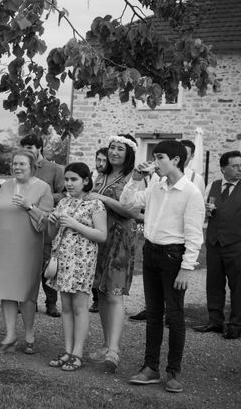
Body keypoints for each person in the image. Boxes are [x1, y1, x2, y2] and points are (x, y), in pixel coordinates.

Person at [121, 140, 205, 393]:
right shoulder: (155, 185)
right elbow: (127, 203)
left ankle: (173, 372)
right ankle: (150, 368)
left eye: (160, 157)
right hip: (152, 252)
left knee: (175, 316)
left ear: (176, 160)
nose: (155, 162)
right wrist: (135, 178)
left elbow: (194, 235)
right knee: (154, 313)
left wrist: (186, 268)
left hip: (173, 256)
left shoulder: (191, 192)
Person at [0, 150, 54, 354]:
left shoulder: (42, 188)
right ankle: (10, 335)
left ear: (32, 167)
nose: (17, 167)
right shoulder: (5, 185)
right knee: (7, 290)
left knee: (26, 293)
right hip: (3, 245)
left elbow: (47, 222)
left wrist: (28, 206)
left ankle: (29, 335)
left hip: (28, 247)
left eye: (22, 164)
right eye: (15, 164)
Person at [86, 134, 139, 373]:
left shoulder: (133, 178)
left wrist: (102, 198)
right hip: (99, 239)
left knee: (115, 294)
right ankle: (107, 344)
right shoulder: (102, 175)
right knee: (102, 292)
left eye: (120, 149)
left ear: (129, 153)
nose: (114, 152)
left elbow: (134, 211)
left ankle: (114, 351)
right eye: (112, 148)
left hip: (120, 239)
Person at [47, 163, 107, 371]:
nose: (69, 183)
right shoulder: (62, 202)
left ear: (86, 181)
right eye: (67, 179)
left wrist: (75, 224)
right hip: (62, 259)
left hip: (83, 259)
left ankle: (78, 353)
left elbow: (102, 235)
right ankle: (67, 350)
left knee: (80, 307)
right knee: (66, 307)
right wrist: (53, 222)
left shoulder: (95, 205)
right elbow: (52, 235)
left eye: (74, 180)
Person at [194, 150, 241, 339]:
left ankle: (236, 324)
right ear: (223, 168)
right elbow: (200, 212)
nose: (240, 169)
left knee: (238, 286)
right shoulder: (211, 186)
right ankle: (215, 320)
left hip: (237, 244)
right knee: (213, 283)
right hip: (214, 243)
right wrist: (205, 211)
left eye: (240, 166)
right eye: (235, 166)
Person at [20, 134, 65, 317]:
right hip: (24, 222)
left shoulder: (54, 169)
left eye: (30, 147)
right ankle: (28, 301)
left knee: (48, 263)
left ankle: (51, 302)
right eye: (24, 148)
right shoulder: (22, 168)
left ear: (39, 148)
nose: (26, 151)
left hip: (46, 222)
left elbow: (63, 195)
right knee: (26, 264)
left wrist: (41, 197)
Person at [90, 147, 108, 313]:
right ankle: (95, 297)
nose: (100, 163)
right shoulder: (92, 176)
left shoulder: (107, 178)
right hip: (91, 225)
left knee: (102, 264)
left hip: (106, 224)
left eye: (104, 160)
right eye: (98, 160)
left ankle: (102, 297)